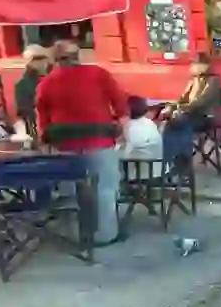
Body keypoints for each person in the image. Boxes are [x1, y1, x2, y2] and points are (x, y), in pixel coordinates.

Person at [35, 41, 128, 246]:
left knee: (71, 190)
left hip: (65, 144)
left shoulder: (47, 82)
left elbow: (42, 116)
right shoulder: (98, 74)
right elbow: (120, 104)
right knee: (104, 188)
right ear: (79, 55)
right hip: (99, 139)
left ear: (54, 60)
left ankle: (76, 235)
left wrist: (45, 141)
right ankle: (105, 235)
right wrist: (123, 131)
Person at [14, 44, 52, 136]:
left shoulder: (55, 77)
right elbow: (25, 113)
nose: (42, 62)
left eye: (43, 58)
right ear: (29, 62)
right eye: (37, 59)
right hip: (41, 130)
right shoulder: (23, 84)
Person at [120, 96, 163, 162]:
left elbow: (122, 155)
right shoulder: (150, 124)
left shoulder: (130, 127)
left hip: (136, 170)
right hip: (157, 169)